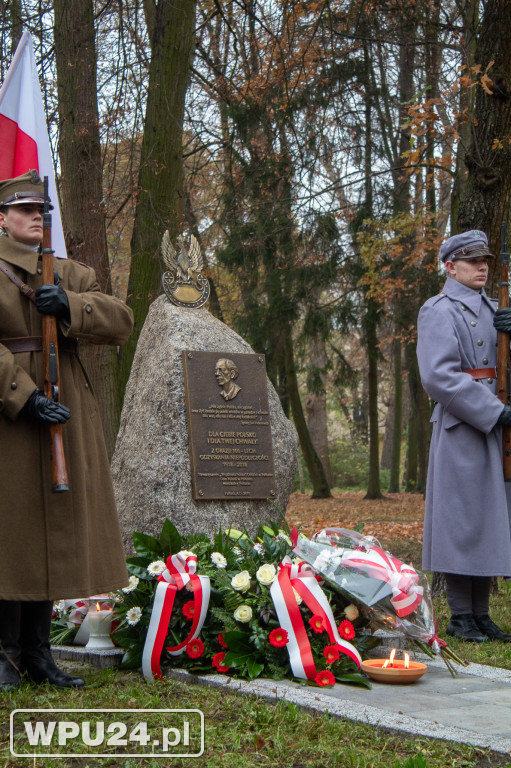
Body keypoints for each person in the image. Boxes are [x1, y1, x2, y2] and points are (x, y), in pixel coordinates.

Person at [0, 171, 134, 689]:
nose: (38, 216)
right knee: (13, 532)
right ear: (4, 218)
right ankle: (6, 653)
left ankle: (39, 653)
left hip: (67, 412)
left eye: (43, 210)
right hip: (10, 414)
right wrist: (24, 395)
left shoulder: (71, 273)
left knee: (53, 531)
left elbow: (120, 322)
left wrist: (72, 307)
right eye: (26, 209)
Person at [417, 229, 511, 643]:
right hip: (463, 426)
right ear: (450, 265)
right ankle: (460, 616)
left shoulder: (498, 308)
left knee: (489, 520)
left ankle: (481, 615)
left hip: (496, 427)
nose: (483, 267)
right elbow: (438, 377)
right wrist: (494, 410)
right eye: (473, 261)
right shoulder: (438, 310)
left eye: (485, 260)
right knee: (462, 521)